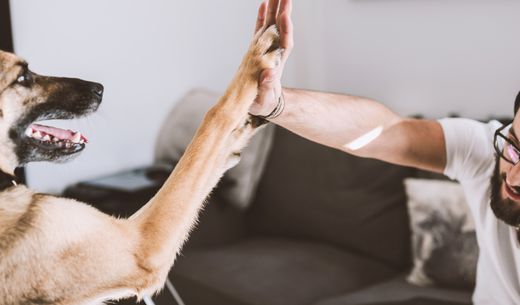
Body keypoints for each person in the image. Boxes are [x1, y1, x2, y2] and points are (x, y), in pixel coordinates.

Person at [250, 1, 520, 304]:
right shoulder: (486, 152)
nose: (514, 176)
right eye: (515, 146)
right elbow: (387, 131)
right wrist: (276, 104)